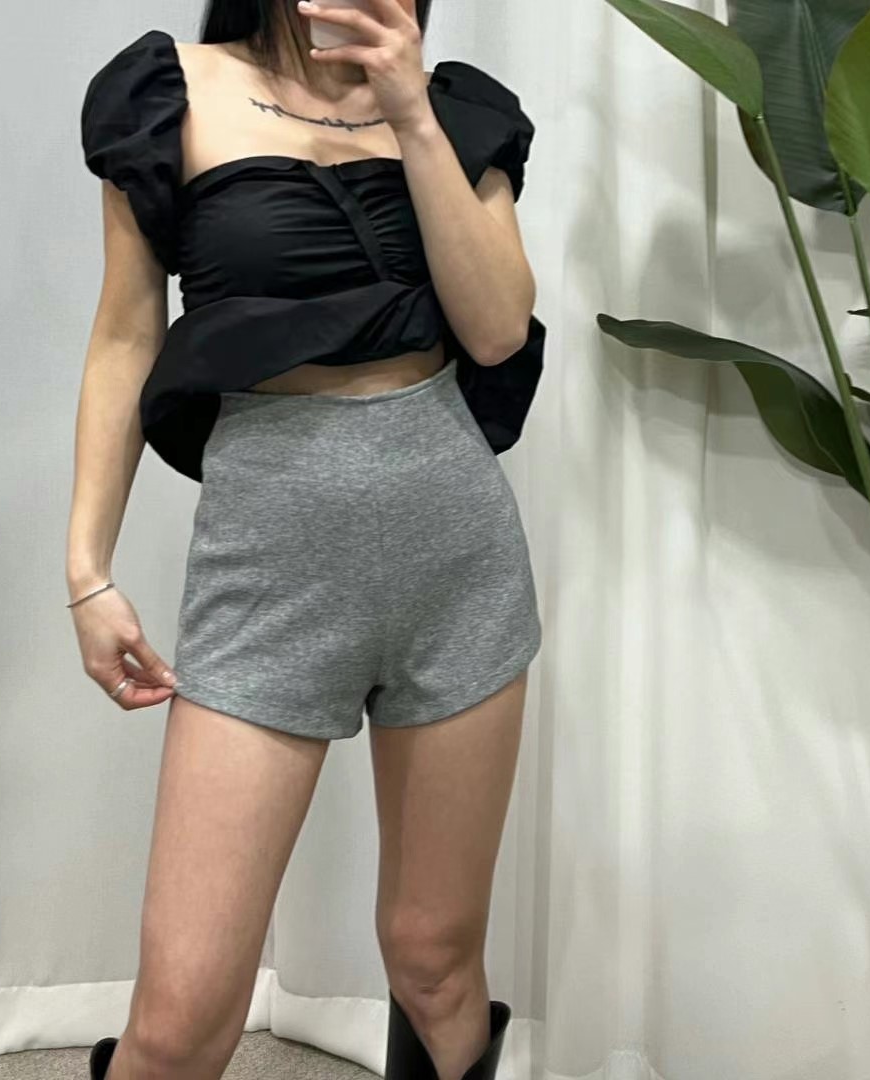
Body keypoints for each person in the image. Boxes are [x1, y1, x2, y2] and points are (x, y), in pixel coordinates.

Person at [68, 2, 547, 1078]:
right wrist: (88, 571)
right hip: (270, 573)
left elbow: (495, 331)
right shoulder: (169, 94)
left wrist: (411, 113)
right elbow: (127, 332)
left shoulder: (457, 110)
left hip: (457, 567)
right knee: (182, 1019)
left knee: (436, 963)